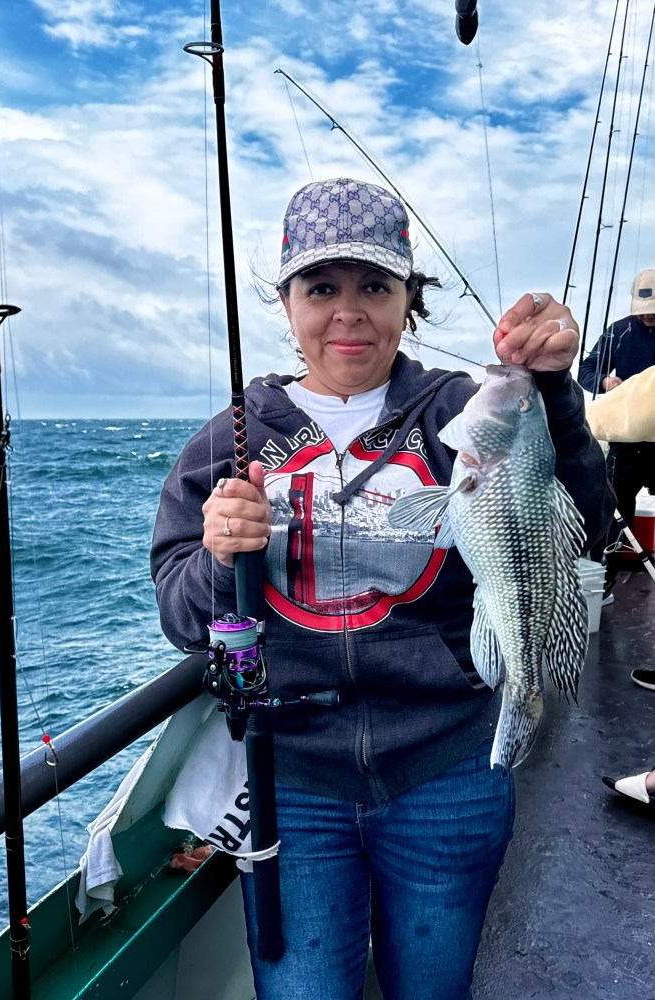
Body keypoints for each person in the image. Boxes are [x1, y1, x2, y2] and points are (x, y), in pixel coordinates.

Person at [151, 177, 613, 1000]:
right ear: (287, 303)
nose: (348, 311)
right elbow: (182, 615)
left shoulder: (468, 411)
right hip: (292, 782)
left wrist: (554, 393)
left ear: (411, 298)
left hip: (449, 766)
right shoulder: (228, 439)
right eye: (321, 288)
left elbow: (583, 513)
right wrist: (222, 558)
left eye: (375, 285)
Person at [578, 268, 655, 603]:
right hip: (626, 440)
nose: (650, 315)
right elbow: (586, 370)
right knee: (615, 506)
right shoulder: (620, 331)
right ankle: (603, 584)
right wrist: (606, 382)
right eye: (645, 310)